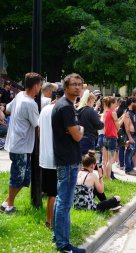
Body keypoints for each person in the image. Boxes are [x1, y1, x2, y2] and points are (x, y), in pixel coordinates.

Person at [51, 73, 86, 253]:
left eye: (80, 84)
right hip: (67, 160)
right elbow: (78, 135)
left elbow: (74, 132)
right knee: (64, 203)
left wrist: (76, 129)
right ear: (65, 87)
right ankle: (63, 245)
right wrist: (81, 128)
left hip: (67, 159)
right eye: (74, 84)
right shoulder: (65, 107)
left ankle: (57, 237)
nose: (78, 87)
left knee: (61, 201)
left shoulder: (67, 106)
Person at [0, 72, 42, 214]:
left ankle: (6, 202)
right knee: (18, 176)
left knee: (24, 178)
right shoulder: (30, 103)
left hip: (16, 143)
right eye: (40, 85)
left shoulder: (19, 96)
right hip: (21, 146)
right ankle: (9, 206)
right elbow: (38, 125)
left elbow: (8, 109)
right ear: (36, 85)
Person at [39, 87, 64, 229]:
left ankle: (49, 220)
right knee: (54, 193)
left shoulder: (45, 109)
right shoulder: (59, 110)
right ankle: (51, 222)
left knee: (50, 193)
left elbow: (39, 131)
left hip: (45, 157)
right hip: (56, 157)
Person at [102, 96, 125, 180]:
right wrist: (123, 118)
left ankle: (104, 176)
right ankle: (109, 178)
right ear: (111, 104)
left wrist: (121, 117)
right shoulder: (113, 112)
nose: (116, 105)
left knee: (105, 160)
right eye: (115, 103)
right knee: (110, 161)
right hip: (112, 138)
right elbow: (118, 126)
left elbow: (112, 122)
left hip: (105, 137)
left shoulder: (106, 112)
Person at [123, 97, 136, 175]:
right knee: (129, 152)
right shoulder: (127, 114)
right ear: (131, 103)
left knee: (132, 152)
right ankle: (128, 169)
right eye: (135, 102)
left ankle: (131, 167)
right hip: (131, 135)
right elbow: (126, 127)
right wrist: (129, 137)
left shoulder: (133, 113)